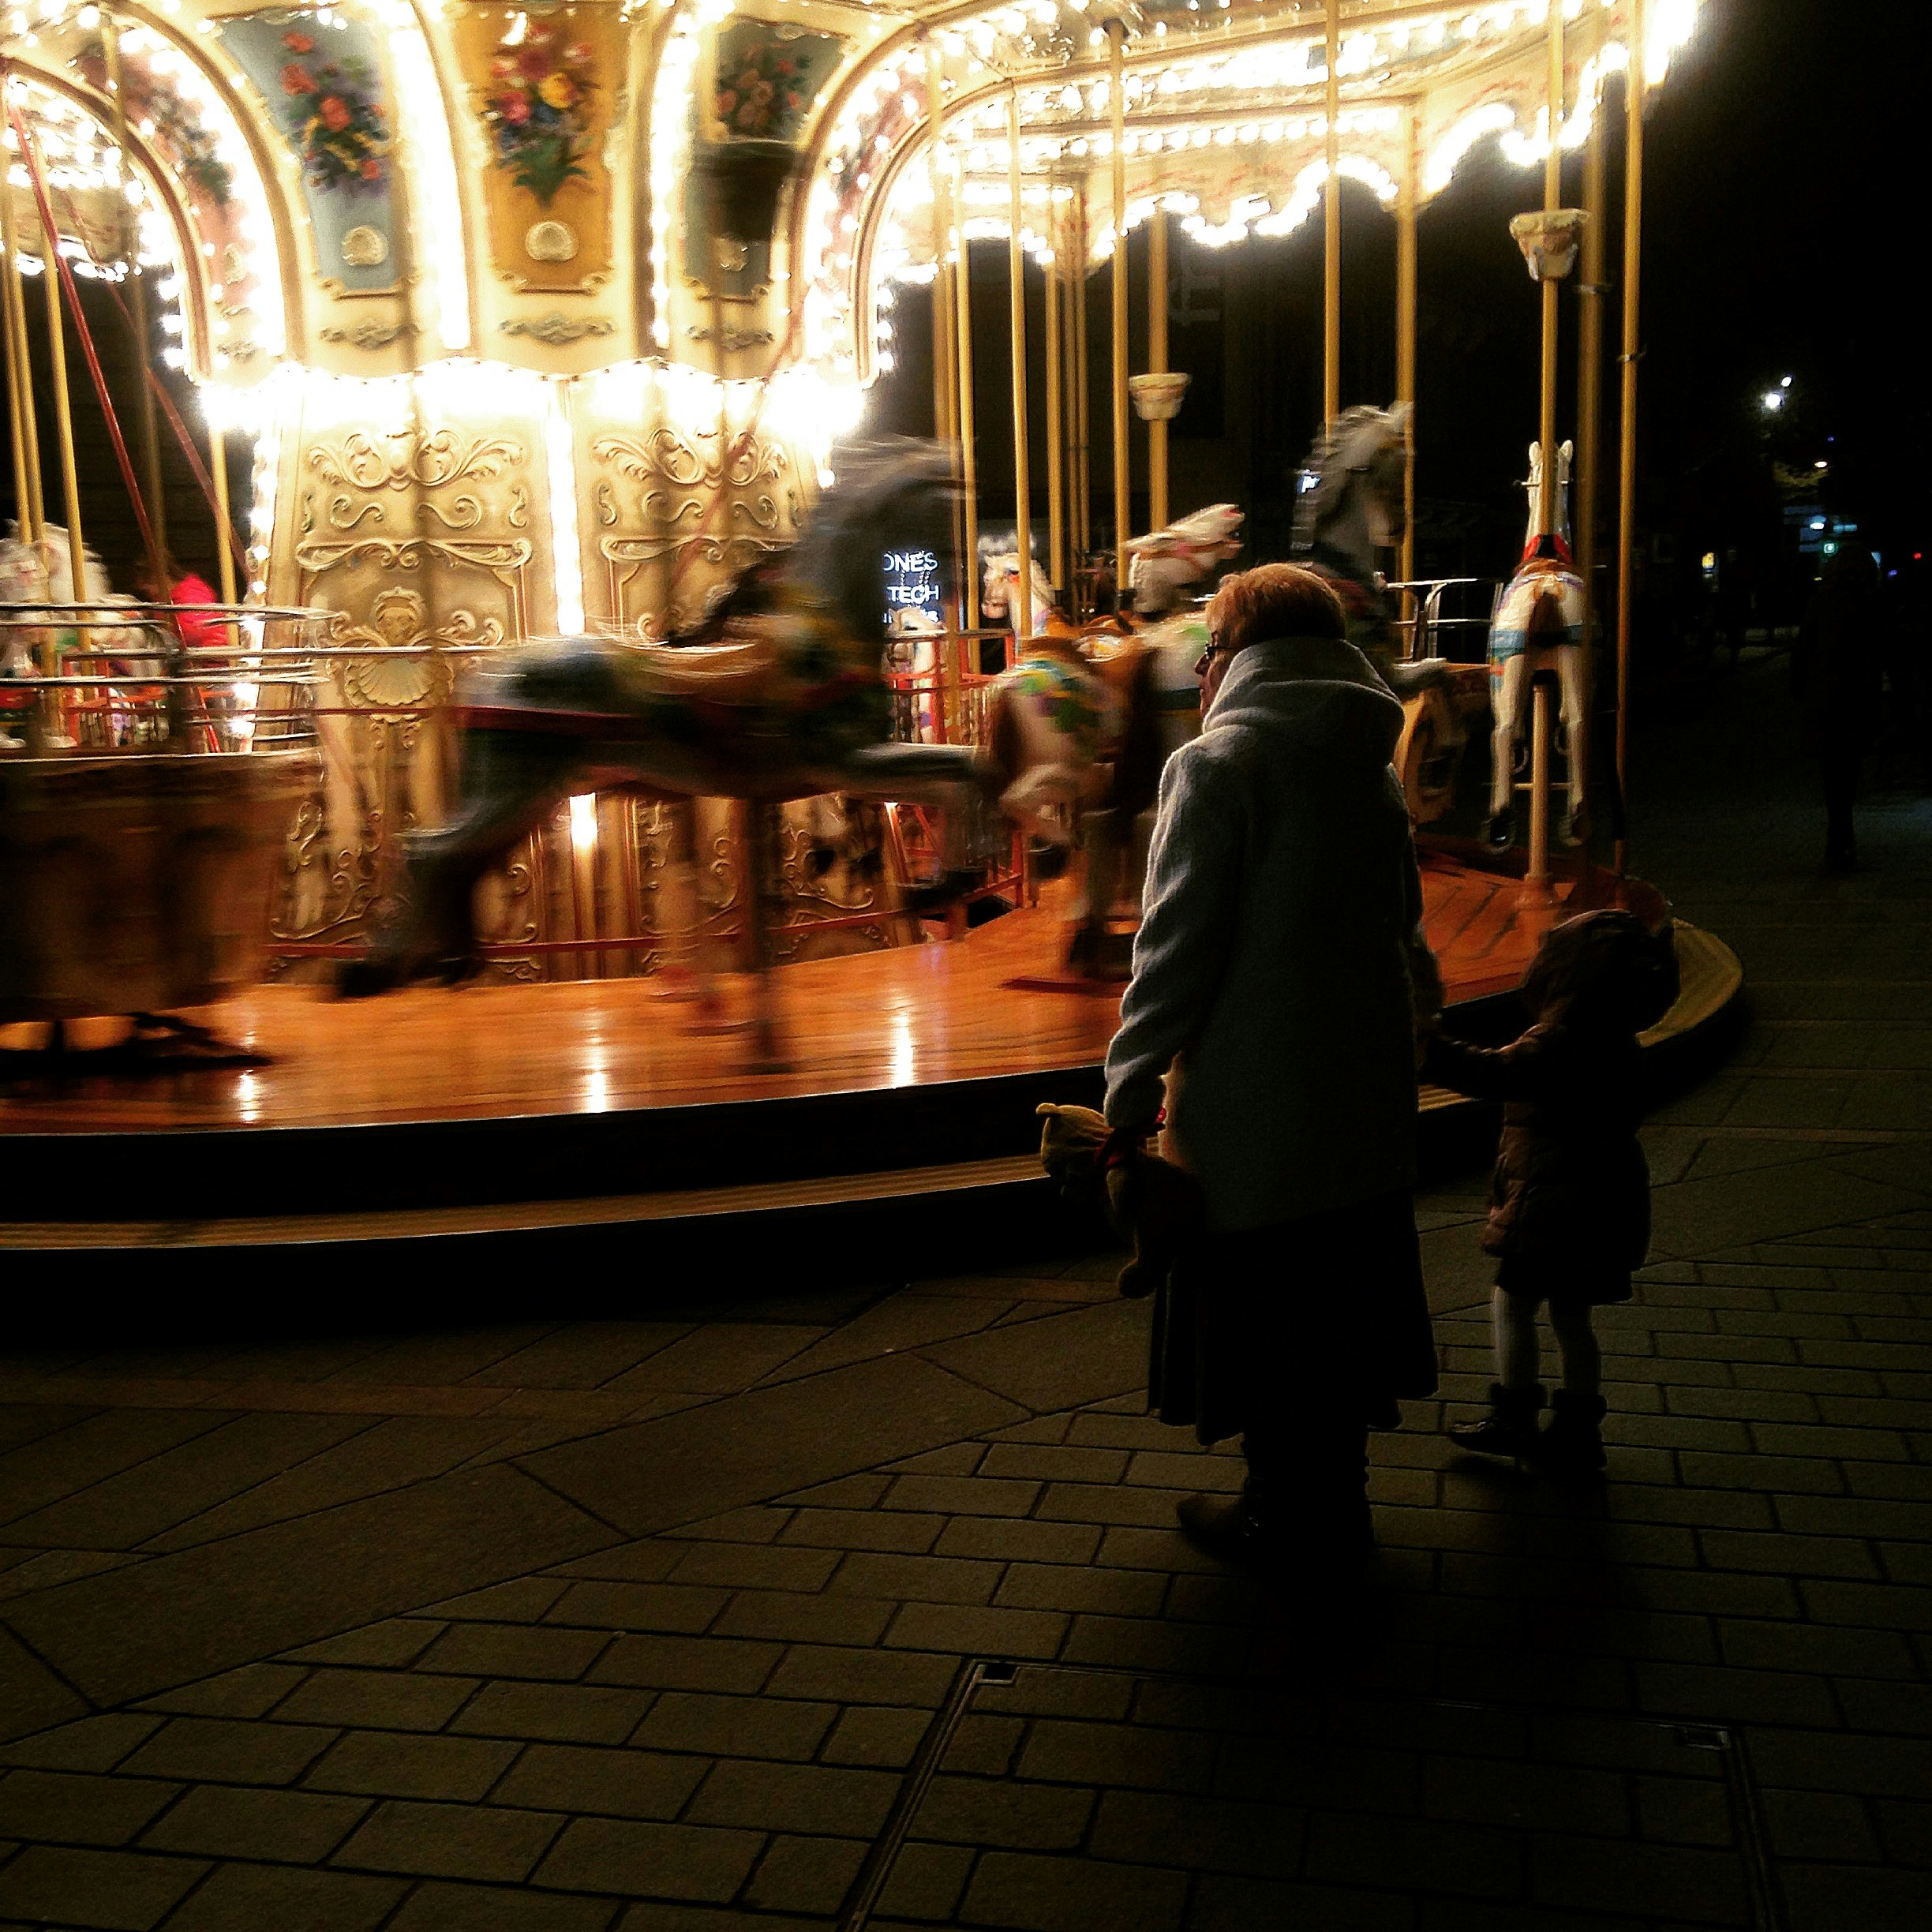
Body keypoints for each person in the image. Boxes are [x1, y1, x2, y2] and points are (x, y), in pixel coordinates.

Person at [1103, 562, 1442, 1575]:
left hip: (1258, 1105)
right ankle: (1334, 1505)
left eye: (1210, 647)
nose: (1201, 668)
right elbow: (1406, 931)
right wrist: (1416, 1036)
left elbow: (1175, 949)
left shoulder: (1218, 766)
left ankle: (1279, 1513)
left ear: (1236, 654)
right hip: (1362, 1100)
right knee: (1340, 1310)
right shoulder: (1366, 764)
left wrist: (1127, 1086)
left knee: (1268, 1311)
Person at [1425, 910, 1679, 1473]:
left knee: (1512, 1300)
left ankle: (1514, 1413)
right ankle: (1578, 1428)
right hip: (1604, 1199)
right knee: (1572, 1314)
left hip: (1550, 1198)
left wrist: (1427, 1041)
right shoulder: (1619, 1040)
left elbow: (1490, 1075)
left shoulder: (1559, 1039)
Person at [1792, 547, 1884, 872]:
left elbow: (1803, 653)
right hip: (1858, 699)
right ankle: (1843, 836)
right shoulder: (1871, 605)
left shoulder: (1820, 603)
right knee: (1850, 771)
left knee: (1831, 773)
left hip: (1826, 699)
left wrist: (1802, 691)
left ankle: (1837, 838)